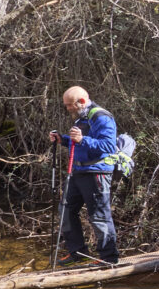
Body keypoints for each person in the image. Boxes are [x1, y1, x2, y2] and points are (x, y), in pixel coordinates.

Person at [49, 86, 120, 265]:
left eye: (69, 105)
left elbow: (108, 147)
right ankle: (77, 252)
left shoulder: (101, 117)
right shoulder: (81, 117)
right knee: (65, 210)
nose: (67, 109)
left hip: (96, 173)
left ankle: (109, 258)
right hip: (78, 172)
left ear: (81, 102)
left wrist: (82, 139)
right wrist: (63, 139)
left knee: (99, 216)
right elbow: (79, 144)